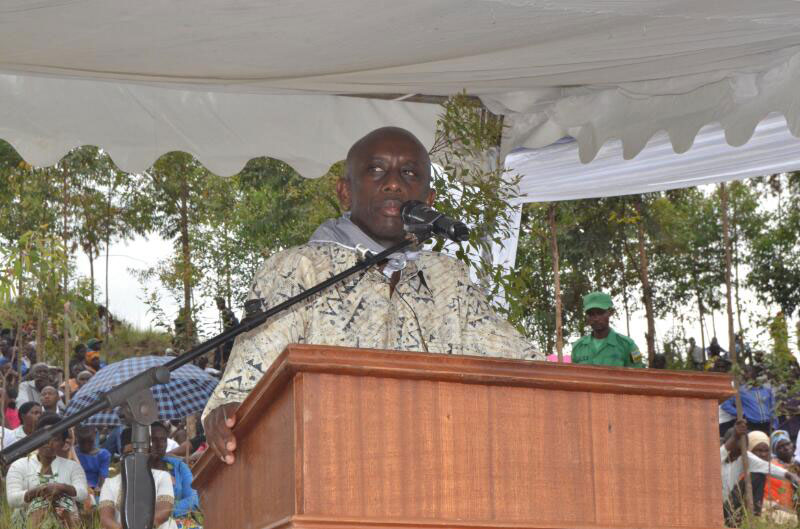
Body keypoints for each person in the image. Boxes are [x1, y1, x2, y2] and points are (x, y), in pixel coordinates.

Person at [203, 126, 541, 464]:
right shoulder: (300, 269)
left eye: (409, 173)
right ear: (345, 192)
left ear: (429, 200)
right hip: (329, 471)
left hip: (436, 469)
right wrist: (228, 413)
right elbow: (245, 383)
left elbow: (522, 363)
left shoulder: (448, 278)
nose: (393, 183)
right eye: (376, 170)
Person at [6, 413, 89, 528]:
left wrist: (62, 488)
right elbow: (12, 499)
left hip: (65, 516)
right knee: (40, 505)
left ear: (63, 443)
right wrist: (39, 491)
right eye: (44, 438)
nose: (48, 444)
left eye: (55, 439)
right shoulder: (19, 465)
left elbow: (82, 494)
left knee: (63, 504)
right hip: (26, 520)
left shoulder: (73, 467)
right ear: (36, 439)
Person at [720, 420, 799, 525]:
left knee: (758, 475)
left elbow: (767, 467)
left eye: (741, 450)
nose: (738, 454)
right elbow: (724, 451)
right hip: (718, 505)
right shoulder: (718, 455)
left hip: (735, 505)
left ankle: (754, 516)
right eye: (736, 449)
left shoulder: (745, 456)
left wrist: (790, 476)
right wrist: (735, 436)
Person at [98, 427, 176, 529]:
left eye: (139, 454)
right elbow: (106, 518)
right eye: (129, 454)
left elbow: (164, 511)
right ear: (122, 456)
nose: (134, 459)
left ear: (148, 454)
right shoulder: (110, 483)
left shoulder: (162, 477)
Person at [570, 292, 644, 368]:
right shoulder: (577, 347)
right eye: (591, 314)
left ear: (610, 312)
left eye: (600, 313)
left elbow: (640, 373)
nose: (596, 318)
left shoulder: (629, 345)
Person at [149, 421, 200, 523]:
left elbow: (194, 500)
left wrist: (164, 511)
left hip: (181, 522)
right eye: (153, 440)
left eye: (163, 440)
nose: (159, 445)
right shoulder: (138, 469)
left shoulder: (178, 466)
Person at [75, 425, 111, 495]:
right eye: (82, 442)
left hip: (94, 489)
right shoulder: (73, 452)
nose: (86, 445)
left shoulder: (103, 454)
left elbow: (103, 474)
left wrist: (99, 487)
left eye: (90, 442)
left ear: (95, 436)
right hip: (75, 487)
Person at [214, 296, 239, 371]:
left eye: (218, 304)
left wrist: (223, 337)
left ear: (222, 304)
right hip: (232, 336)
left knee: (219, 351)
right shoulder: (228, 311)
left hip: (231, 337)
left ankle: (217, 368)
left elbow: (228, 326)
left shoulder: (226, 312)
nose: (217, 306)